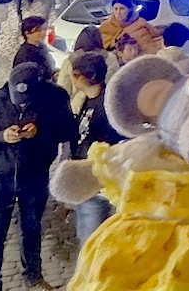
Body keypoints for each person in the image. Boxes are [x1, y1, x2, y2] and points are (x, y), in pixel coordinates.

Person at [0, 62, 77, 291]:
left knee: (32, 229)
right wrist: (1, 136)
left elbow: (68, 131)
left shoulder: (56, 98)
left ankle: (33, 277)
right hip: (0, 179)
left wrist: (40, 131)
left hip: (36, 176)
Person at [66, 51, 125, 243]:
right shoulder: (86, 100)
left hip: (99, 182)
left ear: (89, 77)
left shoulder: (109, 105)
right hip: (85, 178)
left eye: (76, 75)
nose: (72, 80)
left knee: (91, 240)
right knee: (85, 234)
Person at [98, 0, 163, 54]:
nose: (118, 12)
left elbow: (156, 36)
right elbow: (106, 47)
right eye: (115, 9)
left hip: (147, 58)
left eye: (122, 8)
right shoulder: (106, 26)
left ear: (129, 9)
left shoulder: (141, 22)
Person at [12, 16, 55, 82]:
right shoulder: (26, 54)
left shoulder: (41, 46)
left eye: (44, 29)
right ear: (27, 33)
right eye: (38, 30)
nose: (43, 33)